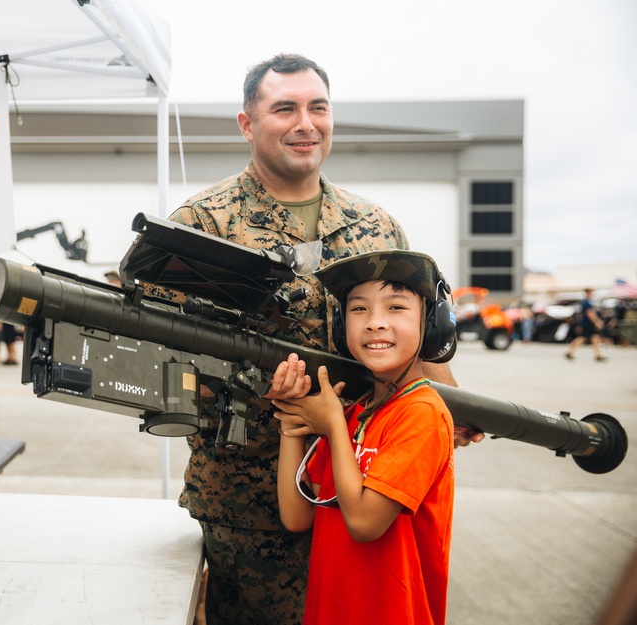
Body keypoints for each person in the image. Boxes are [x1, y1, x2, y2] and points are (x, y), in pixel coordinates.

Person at [152, 53, 478, 625]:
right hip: (250, 500)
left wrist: (455, 406)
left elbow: (415, 342)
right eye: (285, 108)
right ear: (247, 124)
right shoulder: (201, 226)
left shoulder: (375, 225)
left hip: (368, 488)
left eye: (318, 107)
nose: (306, 123)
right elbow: (161, 356)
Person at [270, 250, 456, 624]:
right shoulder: (357, 412)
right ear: (342, 328)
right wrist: (293, 417)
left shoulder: (422, 413)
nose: (374, 323)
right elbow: (297, 515)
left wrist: (332, 425)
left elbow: (365, 524)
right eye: (358, 310)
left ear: (432, 325)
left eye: (396, 308)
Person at [565, 288, 606, 362]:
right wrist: (597, 321)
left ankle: (598, 355)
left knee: (594, 338)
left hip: (586, 324)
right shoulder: (586, 302)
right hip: (588, 324)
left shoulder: (586, 302)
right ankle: (570, 351)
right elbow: (590, 313)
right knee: (583, 338)